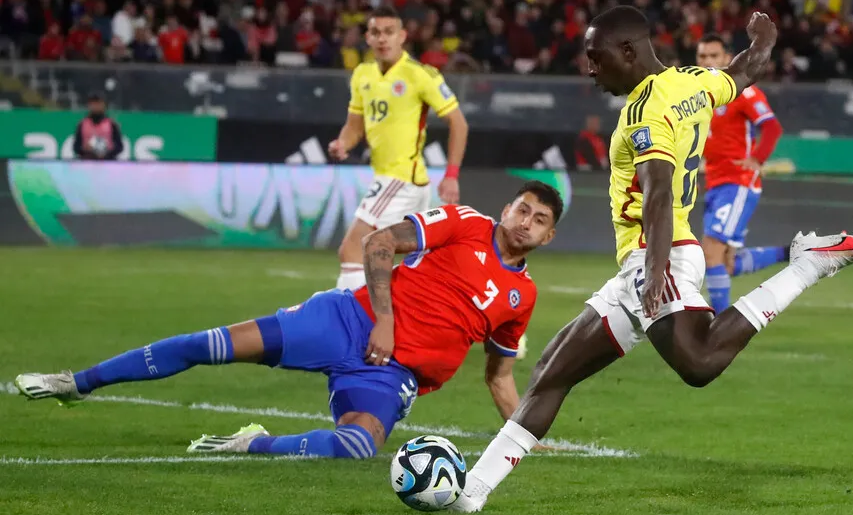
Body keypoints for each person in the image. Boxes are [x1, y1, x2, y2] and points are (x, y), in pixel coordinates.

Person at [450, 6, 853, 513]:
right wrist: (763, 39)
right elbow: (743, 72)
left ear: (629, 52)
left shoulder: (643, 112)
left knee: (698, 362)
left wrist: (654, 270)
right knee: (551, 371)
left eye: (597, 57)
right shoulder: (691, 82)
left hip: (660, 253)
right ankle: (471, 494)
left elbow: (657, 190)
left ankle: (809, 264)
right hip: (651, 255)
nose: (591, 69)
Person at [15, 182, 562, 460]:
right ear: (506, 209)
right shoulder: (465, 223)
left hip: (388, 378)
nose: (526, 222)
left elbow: (499, 375)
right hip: (347, 321)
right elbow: (378, 242)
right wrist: (385, 322)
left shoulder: (524, 295)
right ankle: (77, 382)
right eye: (521, 210)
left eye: (538, 220)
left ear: (547, 236)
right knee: (211, 345)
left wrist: (523, 437)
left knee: (357, 448)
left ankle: (249, 443)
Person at [328, 6, 469, 292]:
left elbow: (459, 123)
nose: (382, 39)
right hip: (393, 178)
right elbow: (354, 126)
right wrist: (344, 142)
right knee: (413, 264)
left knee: (353, 250)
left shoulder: (420, 75)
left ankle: (354, 322)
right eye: (376, 32)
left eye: (389, 32)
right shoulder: (362, 75)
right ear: (367, 37)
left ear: (402, 36)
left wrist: (452, 174)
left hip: (400, 176)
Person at [695, 33, 787, 314]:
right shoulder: (698, 94)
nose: (707, 61)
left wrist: (756, 160)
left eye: (714, 56)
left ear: (726, 58)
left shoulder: (742, 90)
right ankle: (791, 251)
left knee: (710, 248)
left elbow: (771, 127)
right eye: (702, 56)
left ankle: (720, 322)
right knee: (725, 263)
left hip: (737, 183)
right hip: (715, 183)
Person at [73, 92, 124, 161]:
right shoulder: (82, 124)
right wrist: (85, 150)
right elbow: (76, 147)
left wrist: (107, 153)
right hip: (87, 162)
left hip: (107, 162)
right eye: (93, 103)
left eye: (98, 103)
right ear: (89, 105)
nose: (96, 106)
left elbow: (119, 147)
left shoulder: (111, 124)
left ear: (104, 105)